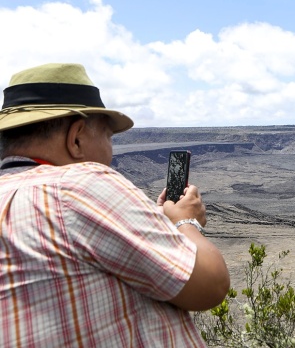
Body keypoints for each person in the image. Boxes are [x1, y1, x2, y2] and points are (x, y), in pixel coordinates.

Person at [0, 63, 230, 347]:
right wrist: (186, 223)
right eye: (108, 137)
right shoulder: (81, 183)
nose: (111, 151)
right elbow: (211, 285)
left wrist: (155, 224)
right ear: (77, 138)